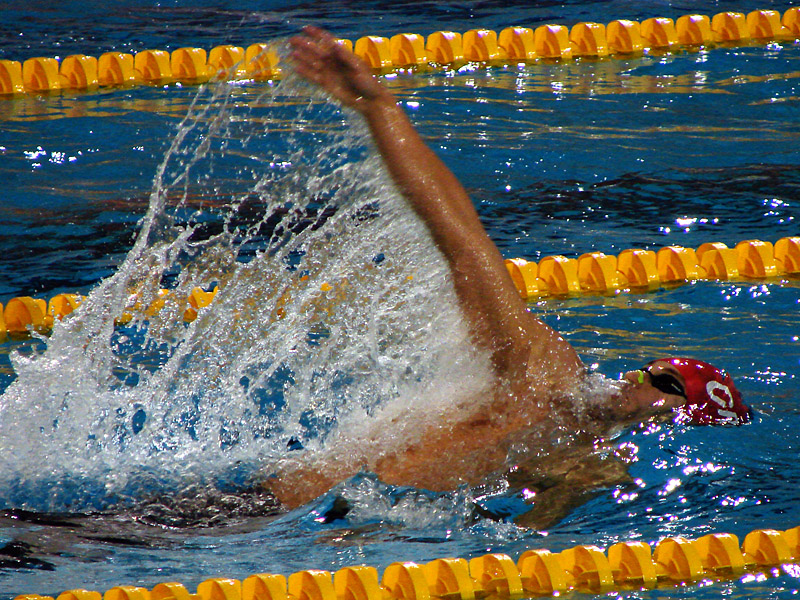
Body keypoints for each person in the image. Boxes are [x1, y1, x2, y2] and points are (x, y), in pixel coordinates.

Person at [268, 27, 751, 516]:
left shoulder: (590, 468)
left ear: (678, 420)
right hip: (263, 504)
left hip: (305, 533)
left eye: (663, 383)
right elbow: (463, 243)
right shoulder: (541, 372)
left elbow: (518, 552)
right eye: (649, 367)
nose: (633, 376)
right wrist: (380, 109)